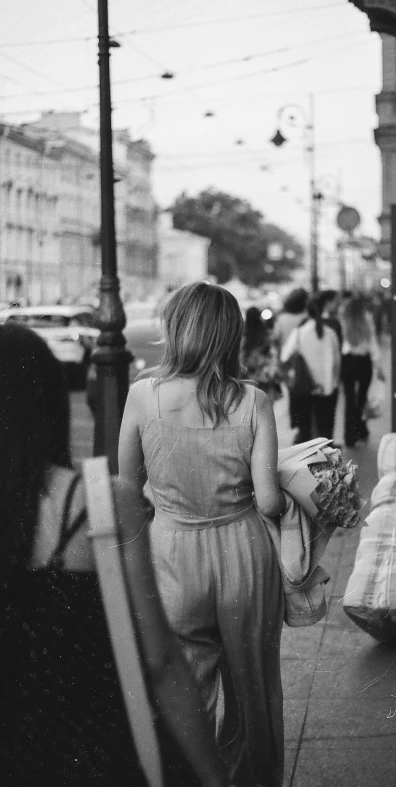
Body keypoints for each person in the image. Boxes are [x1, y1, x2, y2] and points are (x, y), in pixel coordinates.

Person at [0, 322, 229, 787]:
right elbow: (160, 661)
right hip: (92, 754)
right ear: (50, 401)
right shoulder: (99, 503)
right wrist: (214, 778)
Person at [118, 282, 286, 787]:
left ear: (175, 329)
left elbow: (127, 488)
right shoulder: (252, 401)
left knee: (184, 687)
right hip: (242, 553)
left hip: (171, 551)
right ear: (229, 336)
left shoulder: (143, 396)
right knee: (251, 690)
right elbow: (270, 501)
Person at [281, 296, 341, 443]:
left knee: (305, 429)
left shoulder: (299, 333)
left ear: (307, 312)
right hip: (327, 388)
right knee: (325, 430)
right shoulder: (330, 333)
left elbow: (284, 356)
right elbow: (337, 362)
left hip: (304, 387)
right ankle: (326, 461)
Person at [340, 294, 381, 448]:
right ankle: (361, 429)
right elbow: (373, 342)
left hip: (347, 361)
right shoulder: (367, 319)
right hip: (364, 361)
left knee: (349, 398)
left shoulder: (343, 319)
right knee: (362, 397)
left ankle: (349, 435)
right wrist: (378, 364)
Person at [271, 287, 309, 431]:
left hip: (286, 362)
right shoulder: (306, 317)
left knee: (293, 392)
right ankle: (303, 424)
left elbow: (275, 339)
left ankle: (297, 422)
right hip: (304, 361)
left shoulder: (281, 319)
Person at [241, 305, 282, 403]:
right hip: (265, 377)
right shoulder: (265, 335)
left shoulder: (243, 336)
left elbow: (241, 357)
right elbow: (273, 354)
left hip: (249, 377)